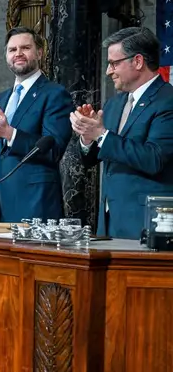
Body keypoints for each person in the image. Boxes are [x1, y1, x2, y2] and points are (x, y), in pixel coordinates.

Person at [70, 27, 173, 239]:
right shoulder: (114, 104)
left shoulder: (168, 101)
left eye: (114, 63)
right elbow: (94, 158)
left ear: (137, 61)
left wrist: (101, 134)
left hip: (146, 221)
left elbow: (154, 158)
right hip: (109, 220)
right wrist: (88, 138)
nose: (108, 71)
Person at [0, 26, 73, 223]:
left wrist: (9, 133)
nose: (18, 54)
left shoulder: (54, 94)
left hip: (35, 204)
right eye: (12, 50)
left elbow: (53, 151)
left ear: (39, 52)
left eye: (25, 48)